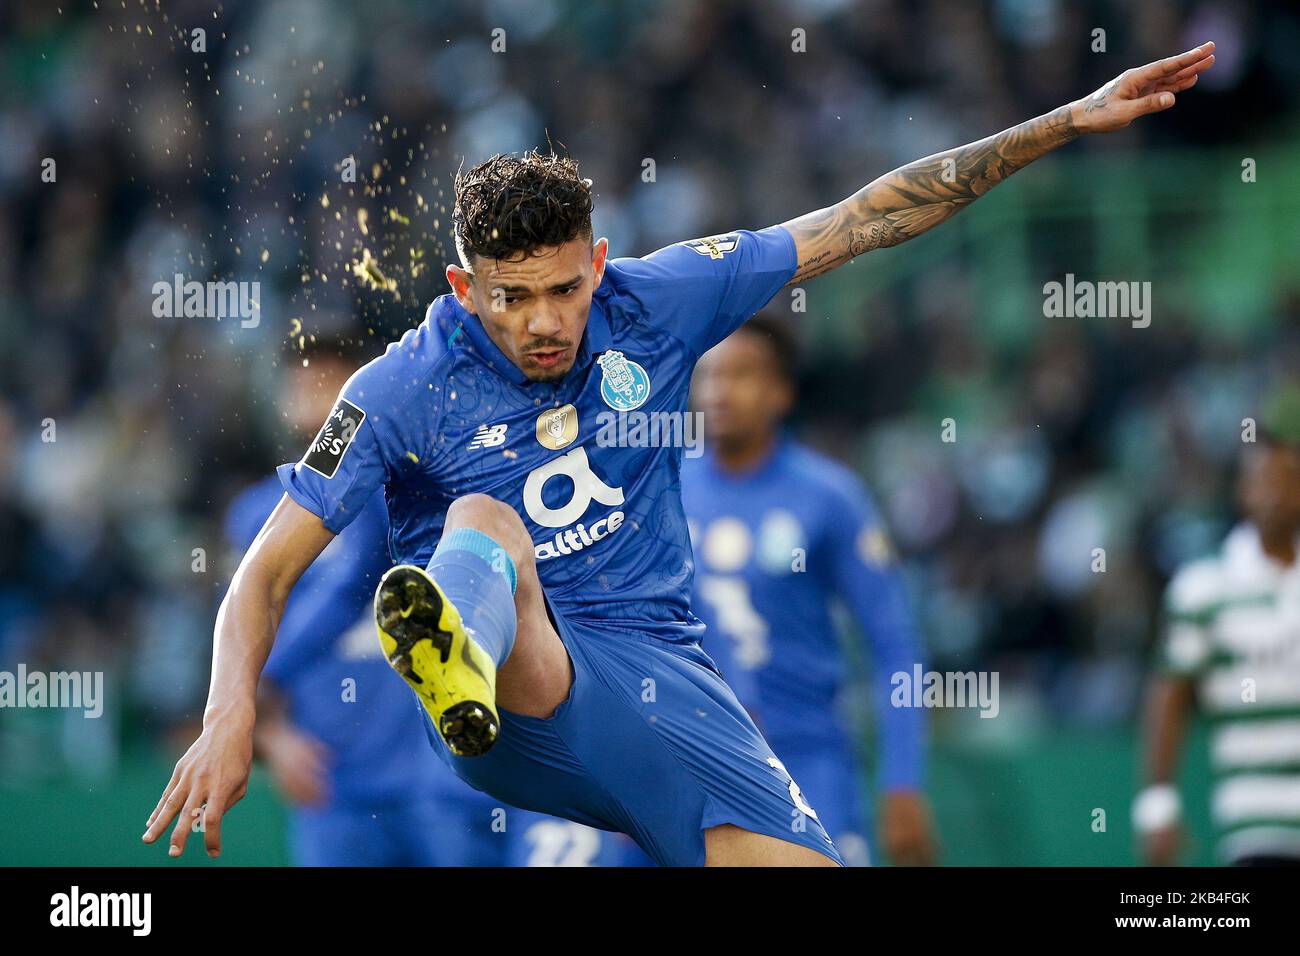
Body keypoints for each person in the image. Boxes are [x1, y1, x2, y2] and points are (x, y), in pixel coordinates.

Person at [145, 42, 1217, 866]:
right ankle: (448, 651)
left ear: (598, 260)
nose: (545, 323)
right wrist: (231, 708)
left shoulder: (658, 299)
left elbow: (863, 219)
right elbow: (266, 568)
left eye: (565, 288)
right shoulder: (394, 387)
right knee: (484, 522)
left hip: (663, 676)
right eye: (511, 300)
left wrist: (1068, 120)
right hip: (514, 693)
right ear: (464, 289)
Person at [226, 338, 512, 865]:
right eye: (303, 385)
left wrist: (269, 675)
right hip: (331, 781)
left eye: (330, 385)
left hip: (436, 774)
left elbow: (351, 582)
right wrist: (273, 735)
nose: (315, 401)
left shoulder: (408, 494)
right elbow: (244, 631)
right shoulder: (256, 520)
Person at [682, 316, 936, 867]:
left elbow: (895, 646)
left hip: (807, 762)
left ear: (781, 391)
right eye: (710, 374)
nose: (721, 391)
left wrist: (902, 781)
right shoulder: (664, 492)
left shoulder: (830, 497)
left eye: (742, 374)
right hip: (690, 763)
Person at [1136, 388, 1300, 866]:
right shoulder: (1204, 588)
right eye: (1262, 480)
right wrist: (1157, 802)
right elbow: (1171, 693)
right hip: (1255, 818)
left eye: (1286, 479)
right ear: (1241, 491)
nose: (1273, 493)